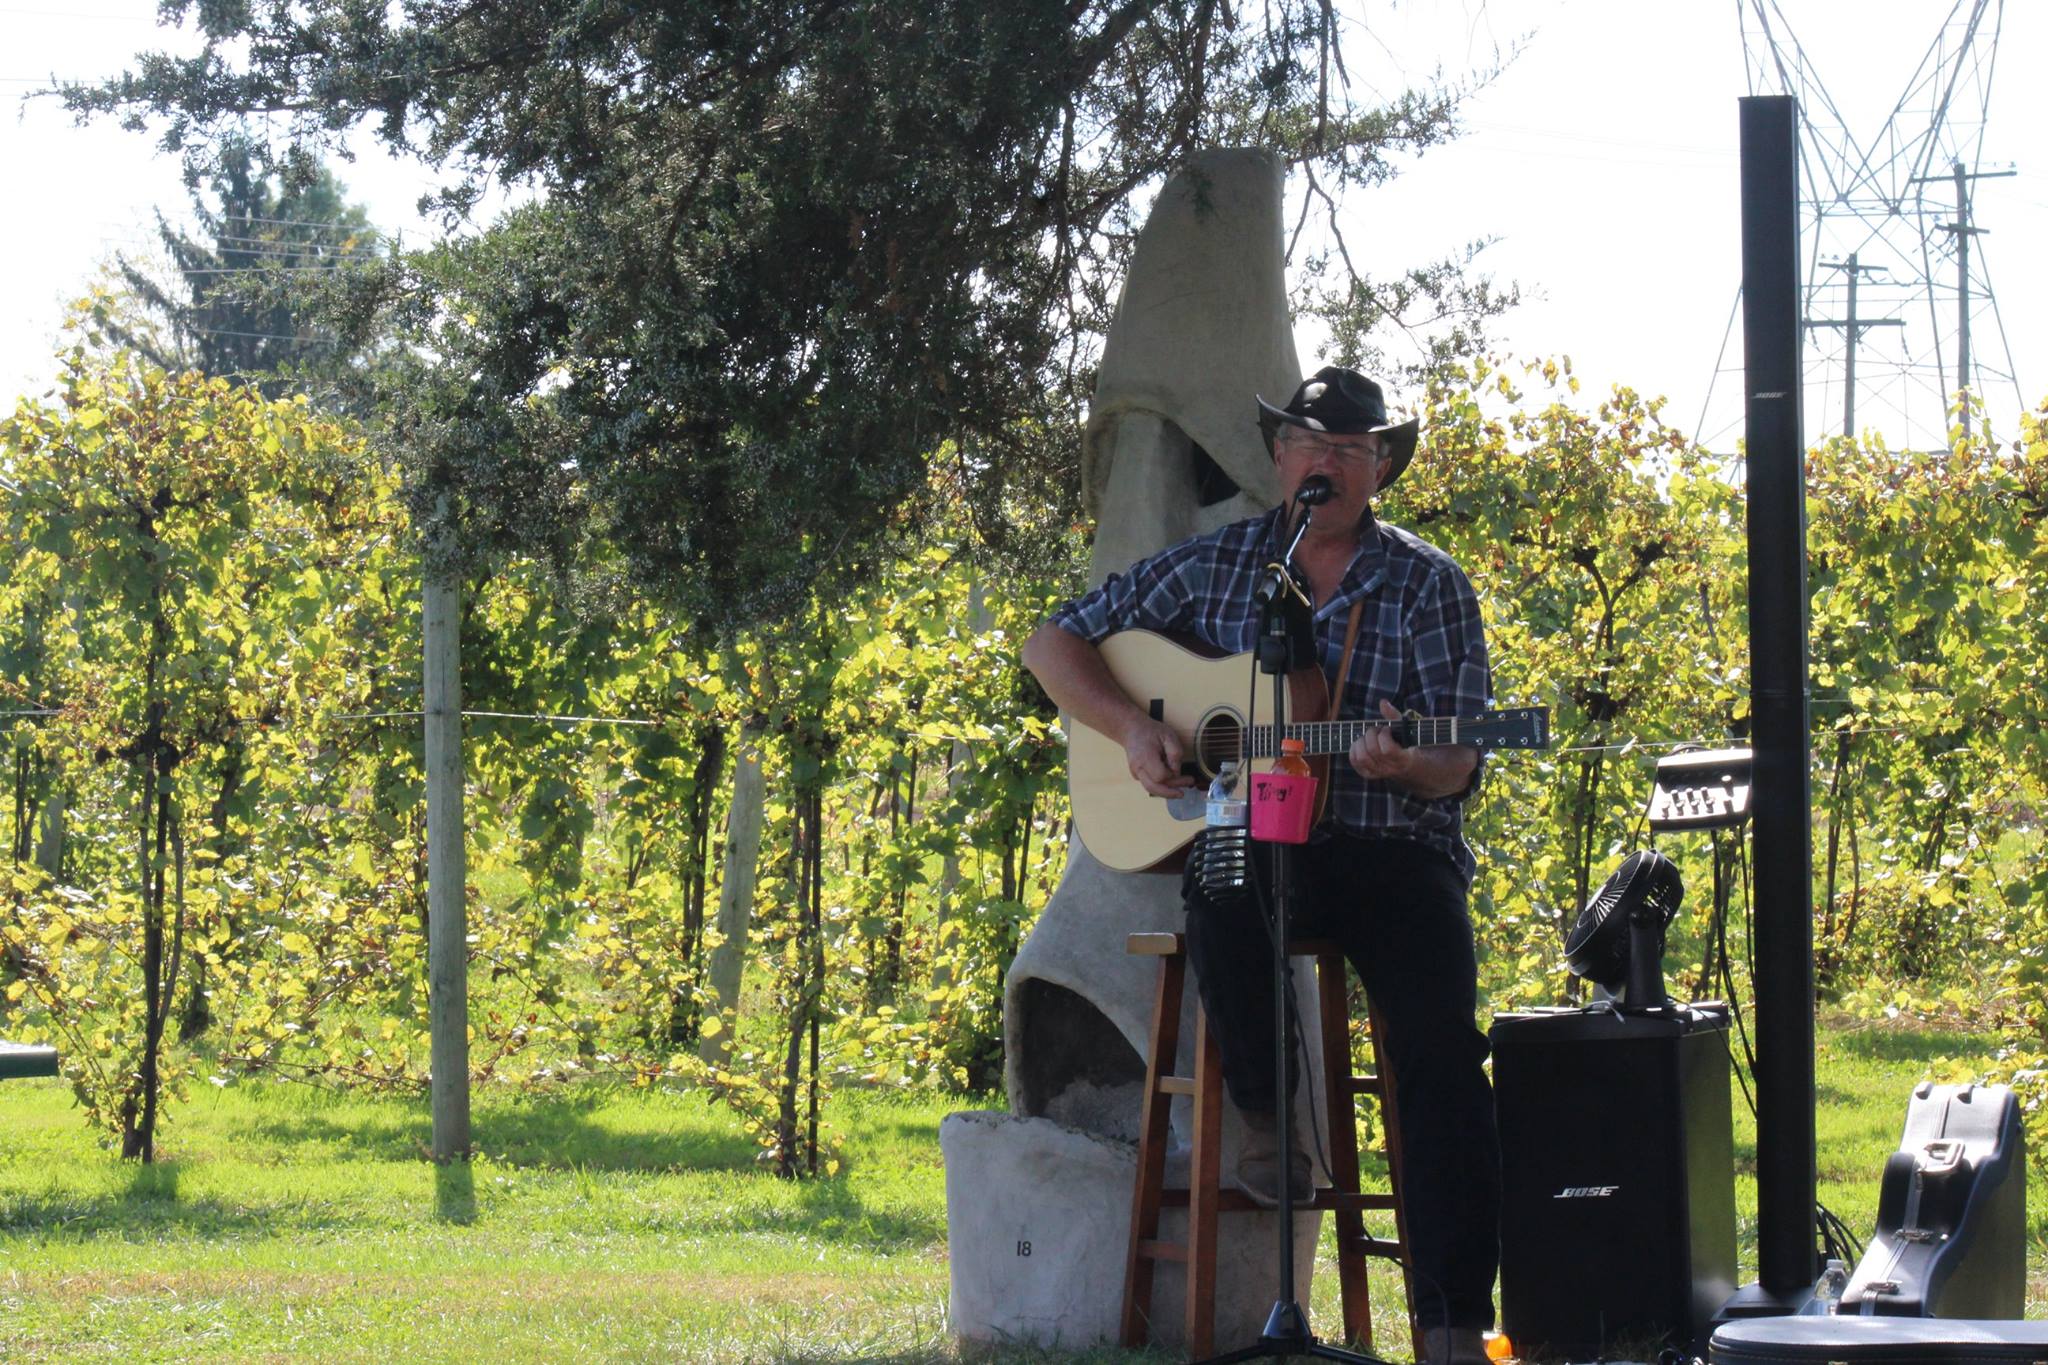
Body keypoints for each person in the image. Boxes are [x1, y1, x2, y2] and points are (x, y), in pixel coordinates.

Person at [1021, 366, 1500, 1365]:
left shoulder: (1427, 584)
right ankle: (1266, 1109)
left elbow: (1457, 761)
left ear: (1380, 470)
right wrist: (1130, 732)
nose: (1323, 464)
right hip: (1263, 840)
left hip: (1393, 849)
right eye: (1307, 445)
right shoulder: (1216, 566)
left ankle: (1452, 1326)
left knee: (1439, 1057)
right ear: (1279, 458)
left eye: (1349, 451)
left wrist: (1407, 763)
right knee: (1224, 875)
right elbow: (1050, 642)